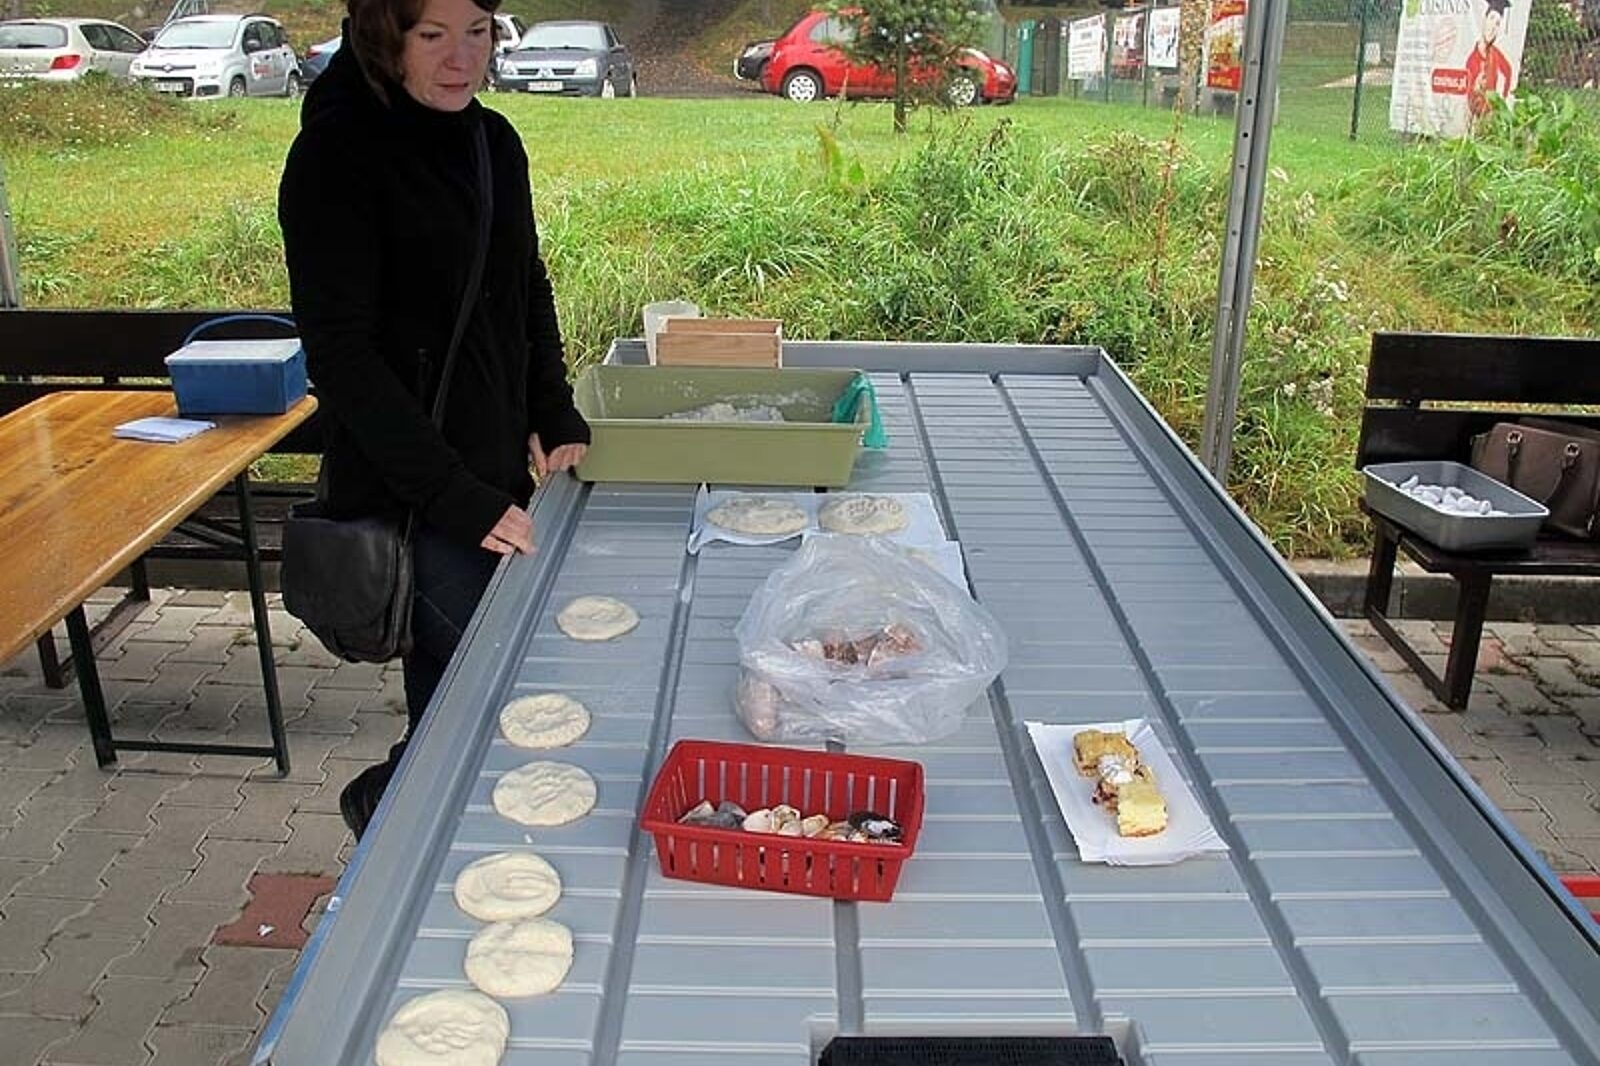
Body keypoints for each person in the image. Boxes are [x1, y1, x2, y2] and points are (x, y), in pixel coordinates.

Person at [278, 0, 589, 838]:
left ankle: (405, 819)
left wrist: (552, 406)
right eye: (432, 36)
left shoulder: (493, 143)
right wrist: (454, 496)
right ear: (385, 37)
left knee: (456, 700)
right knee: (504, 687)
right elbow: (341, 358)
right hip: (409, 501)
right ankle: (400, 810)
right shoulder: (336, 157)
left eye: (477, 33)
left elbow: (524, 284)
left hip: (489, 481)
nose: (462, 59)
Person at [1465, 0, 1514, 121]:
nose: (1493, 27)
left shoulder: (1495, 54)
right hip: (1476, 115)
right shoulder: (1471, 60)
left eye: (1497, 24)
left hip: (1491, 113)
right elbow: (1468, 96)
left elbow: (1508, 71)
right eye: (1491, 19)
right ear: (1484, 19)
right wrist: (1476, 87)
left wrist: (1502, 100)